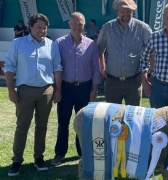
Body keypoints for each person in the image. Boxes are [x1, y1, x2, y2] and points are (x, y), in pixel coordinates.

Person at [4, 13, 62, 176]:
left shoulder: (52, 45)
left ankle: (39, 158)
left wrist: (58, 90)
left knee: (42, 126)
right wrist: (10, 90)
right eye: (38, 27)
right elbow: (9, 67)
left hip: (46, 91)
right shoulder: (18, 44)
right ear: (30, 27)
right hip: (25, 92)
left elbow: (57, 68)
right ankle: (16, 160)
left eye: (44, 27)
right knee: (22, 126)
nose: (42, 30)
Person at [51, 12, 101, 166]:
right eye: (74, 23)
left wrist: (94, 89)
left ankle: (83, 153)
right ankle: (60, 153)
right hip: (65, 88)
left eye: (80, 23)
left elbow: (95, 68)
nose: (77, 26)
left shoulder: (91, 44)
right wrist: (57, 89)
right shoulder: (59, 43)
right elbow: (55, 68)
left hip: (84, 89)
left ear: (84, 25)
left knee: (84, 123)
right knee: (63, 122)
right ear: (69, 24)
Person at [97, 0, 152, 106]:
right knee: (112, 116)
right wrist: (102, 67)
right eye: (123, 11)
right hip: (112, 81)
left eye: (128, 11)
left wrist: (147, 71)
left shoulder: (142, 28)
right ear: (117, 11)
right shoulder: (107, 28)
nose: (126, 14)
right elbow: (100, 49)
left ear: (132, 12)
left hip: (134, 81)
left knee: (132, 117)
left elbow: (152, 50)